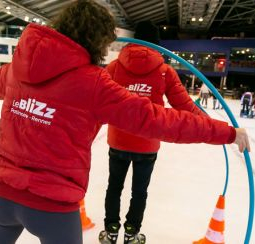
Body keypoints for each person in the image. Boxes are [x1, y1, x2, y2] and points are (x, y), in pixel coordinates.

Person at [0, 2, 250, 244]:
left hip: (2, 200)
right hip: (53, 207)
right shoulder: (92, 82)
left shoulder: (17, 69)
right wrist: (226, 133)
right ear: (97, 40)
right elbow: (158, 119)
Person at [100, 20, 209, 243]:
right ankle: (131, 233)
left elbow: (95, 97)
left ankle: (111, 230)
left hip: (118, 141)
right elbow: (185, 106)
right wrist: (208, 123)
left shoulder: (114, 67)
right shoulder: (164, 71)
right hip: (147, 145)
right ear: (156, 44)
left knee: (114, 187)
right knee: (139, 192)